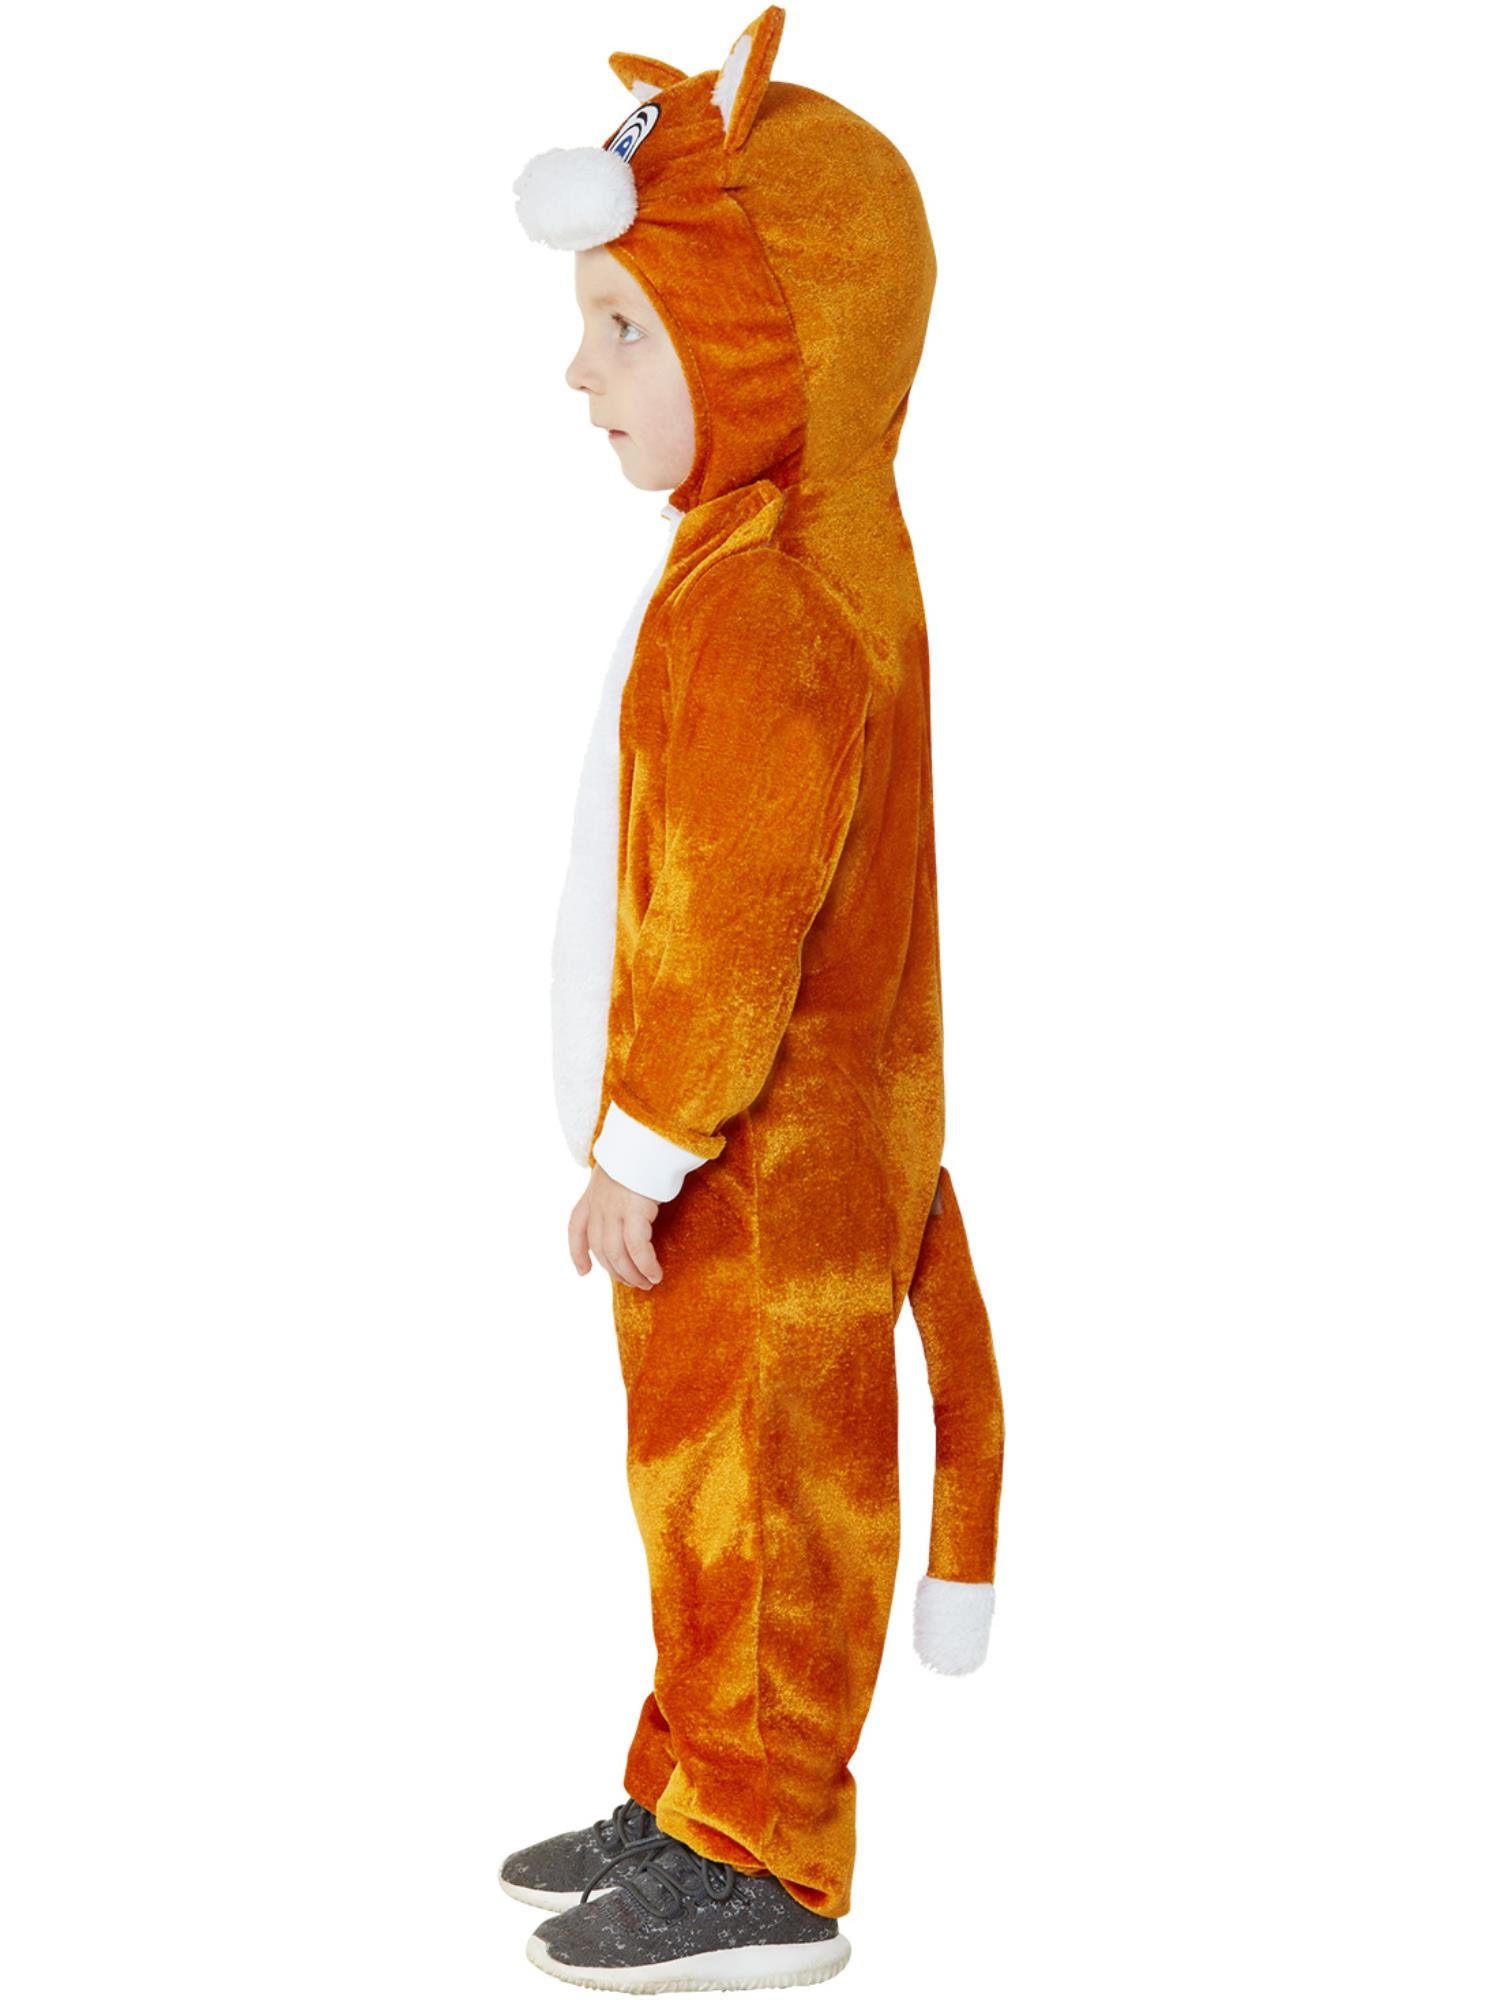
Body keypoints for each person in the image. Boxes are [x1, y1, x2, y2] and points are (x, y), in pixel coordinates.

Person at [501, 9, 1005, 1990]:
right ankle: (696, 1785)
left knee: (770, 1500)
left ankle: (767, 1862)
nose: (581, 371)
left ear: (772, 338)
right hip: (754, 1168)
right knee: (705, 1497)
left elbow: (730, 915)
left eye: (625, 326)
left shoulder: (779, 586)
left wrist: (639, 1149)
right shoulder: (769, 544)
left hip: (755, 1176)